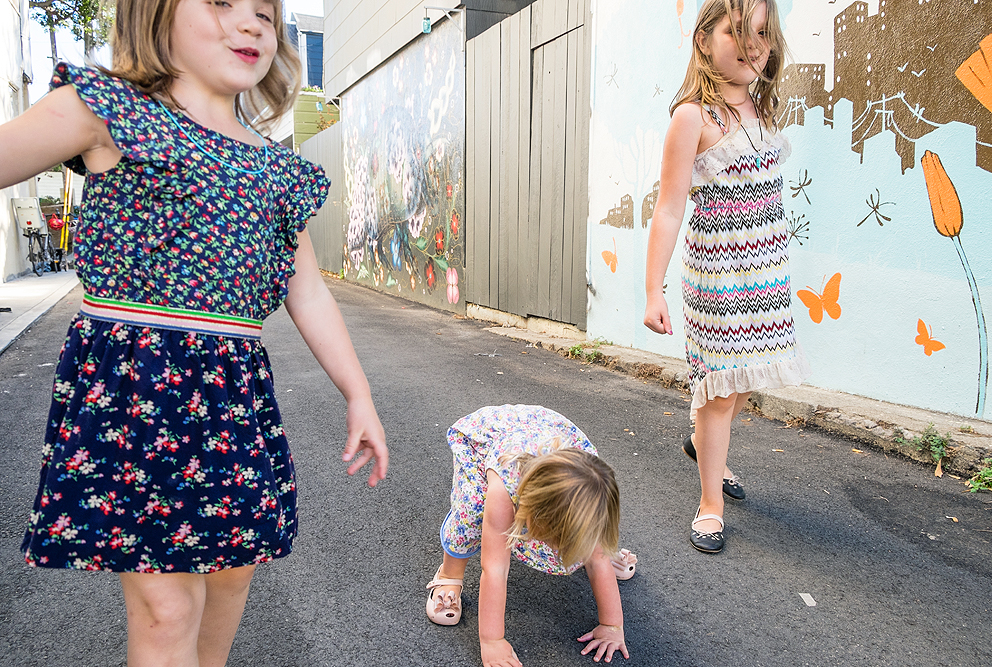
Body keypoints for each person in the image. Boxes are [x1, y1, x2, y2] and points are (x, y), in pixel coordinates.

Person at [0, 0, 388, 664]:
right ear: (155, 14)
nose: (251, 24)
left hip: (231, 394)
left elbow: (307, 286)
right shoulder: (108, 109)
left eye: (265, 14)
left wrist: (359, 392)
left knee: (233, 571)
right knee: (167, 604)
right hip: (134, 392)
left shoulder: (277, 169)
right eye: (220, 3)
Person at [643, 0, 809, 554]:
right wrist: (653, 289)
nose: (752, 43)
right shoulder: (694, 117)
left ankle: (699, 440)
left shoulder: (762, 109)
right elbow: (668, 209)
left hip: (766, 280)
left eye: (762, 32)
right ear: (704, 40)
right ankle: (710, 503)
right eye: (737, 31)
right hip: (716, 283)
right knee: (718, 394)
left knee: (742, 386)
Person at [425, 405, 637, 666]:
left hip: (551, 431)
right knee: (472, 512)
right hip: (488, 437)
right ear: (530, 514)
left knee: (596, 551)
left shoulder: (593, 490)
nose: (558, 549)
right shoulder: (504, 487)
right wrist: (492, 640)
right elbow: (494, 568)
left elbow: (594, 549)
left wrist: (612, 625)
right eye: (556, 541)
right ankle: (449, 575)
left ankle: (598, 547)